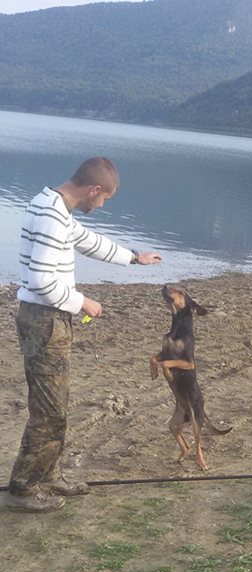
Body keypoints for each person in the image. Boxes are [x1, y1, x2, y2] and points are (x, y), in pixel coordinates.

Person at [7, 156, 161, 513]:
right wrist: (83, 303)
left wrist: (134, 257)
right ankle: (23, 489)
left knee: (56, 405)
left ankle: (49, 475)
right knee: (49, 411)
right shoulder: (51, 215)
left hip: (51, 320)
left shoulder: (55, 207)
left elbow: (88, 241)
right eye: (104, 198)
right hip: (44, 321)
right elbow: (41, 282)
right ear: (93, 189)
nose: (102, 204)